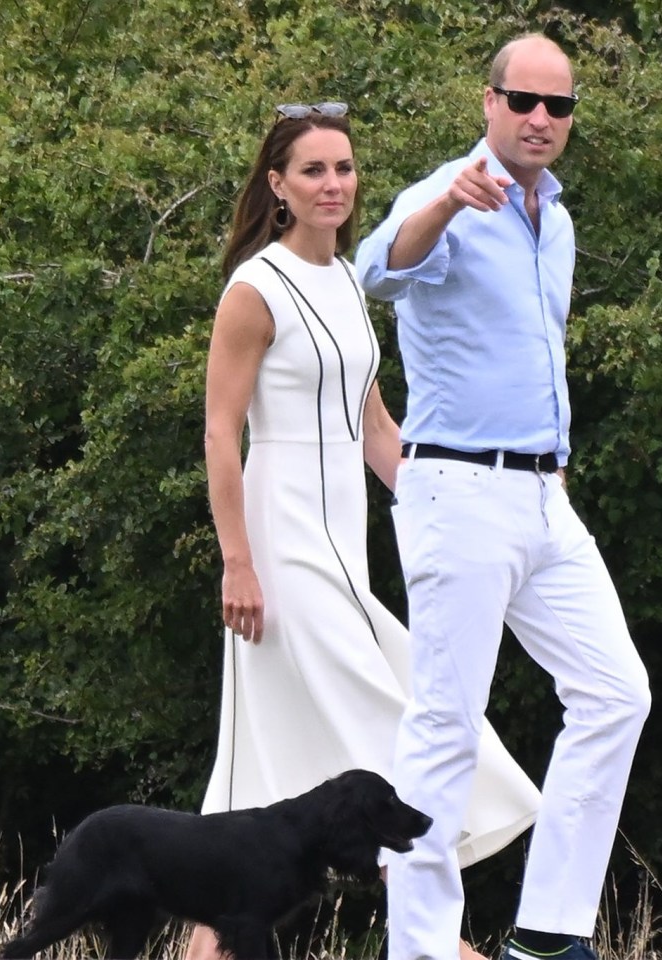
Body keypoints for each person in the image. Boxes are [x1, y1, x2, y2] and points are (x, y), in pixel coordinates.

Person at [185, 101, 541, 960]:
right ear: (277, 185)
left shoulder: (346, 278)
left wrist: (448, 503)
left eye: (343, 169)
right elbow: (218, 432)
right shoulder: (254, 289)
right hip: (280, 553)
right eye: (312, 170)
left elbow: (376, 430)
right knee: (401, 747)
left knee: (263, 782)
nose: (332, 185)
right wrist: (237, 562)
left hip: (344, 553)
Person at [355, 34, 652, 960]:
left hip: (539, 494)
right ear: (487, 101)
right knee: (445, 722)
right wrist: (447, 199)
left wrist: (555, 464)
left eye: (557, 107)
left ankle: (546, 934)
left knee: (616, 693)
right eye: (522, 100)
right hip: (454, 486)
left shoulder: (553, 220)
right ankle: (420, 949)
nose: (539, 120)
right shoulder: (448, 194)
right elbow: (377, 268)